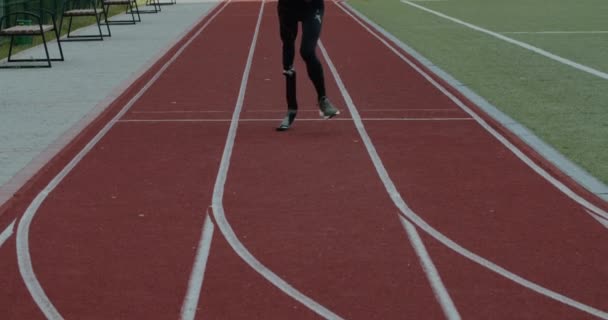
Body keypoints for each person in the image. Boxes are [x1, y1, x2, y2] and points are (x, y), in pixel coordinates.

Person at [276, 0, 340, 131]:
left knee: (307, 51)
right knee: (288, 54)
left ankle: (323, 99)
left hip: (312, 6)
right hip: (287, 7)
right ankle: (291, 109)